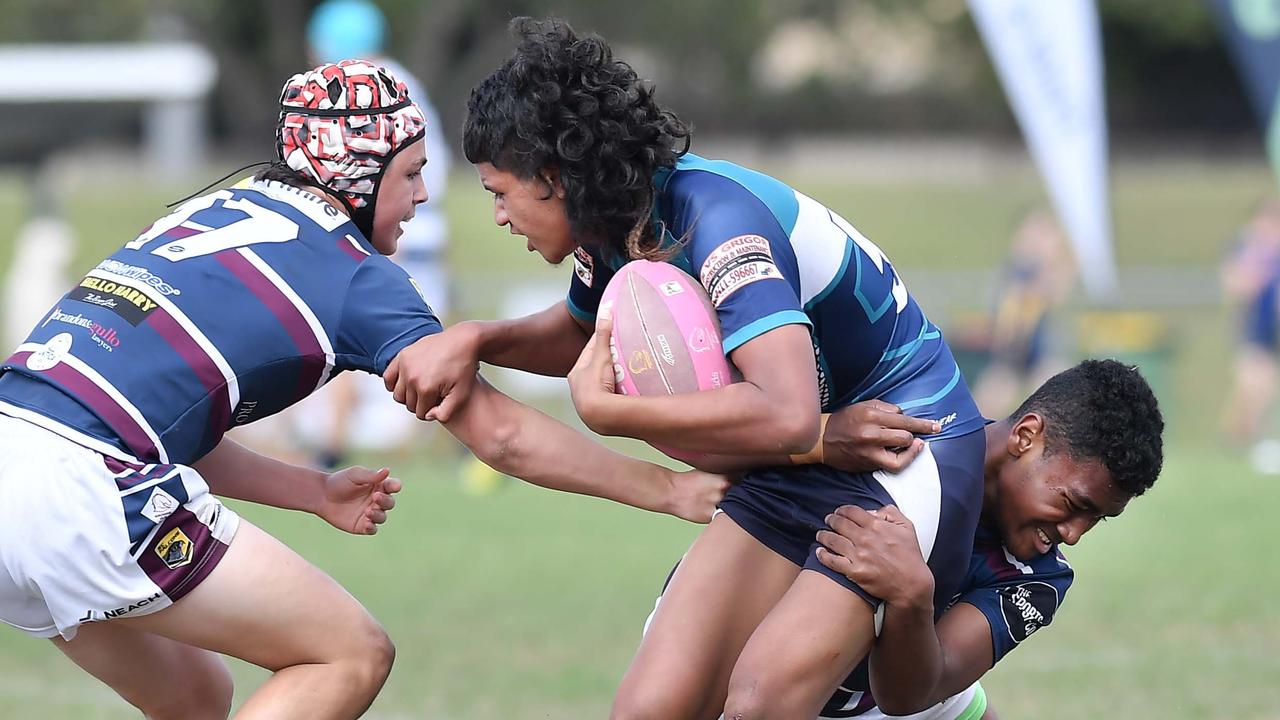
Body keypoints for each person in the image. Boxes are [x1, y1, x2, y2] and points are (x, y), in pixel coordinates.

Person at [0, 59, 724, 720]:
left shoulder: (208, 212)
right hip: (82, 488)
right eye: (409, 173)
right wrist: (667, 488)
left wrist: (313, 493)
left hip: (23, 457)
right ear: (355, 173)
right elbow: (498, 432)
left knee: (198, 696)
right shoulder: (354, 276)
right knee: (349, 652)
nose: (422, 194)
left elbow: (153, 422)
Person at [386, 18, 987, 718]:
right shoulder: (611, 222)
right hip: (798, 462)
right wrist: (476, 339)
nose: (496, 215)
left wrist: (609, 412)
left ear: (552, 178)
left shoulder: (718, 222)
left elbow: (786, 412)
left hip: (905, 451)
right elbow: (584, 335)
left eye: (499, 191)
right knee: (651, 709)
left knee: (760, 702)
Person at [642, 360, 1164, 719]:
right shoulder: (899, 429)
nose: (1072, 535)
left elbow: (915, 693)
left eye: (1097, 520)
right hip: (750, 638)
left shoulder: (1038, 578)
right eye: (1075, 505)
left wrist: (913, 598)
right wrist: (820, 437)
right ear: (1026, 437)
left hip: (894, 690)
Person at [292, 0, 456, 470]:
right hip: (418, 237)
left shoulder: (362, 95)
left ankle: (329, 450)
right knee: (420, 350)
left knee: (342, 332)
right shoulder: (403, 83)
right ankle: (472, 447)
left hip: (388, 236)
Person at [970, 209, 1075, 418]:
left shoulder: (1046, 268)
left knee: (1067, 402)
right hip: (1013, 349)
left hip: (1039, 350)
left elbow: (1056, 292)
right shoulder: (1018, 268)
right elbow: (1010, 309)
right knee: (985, 407)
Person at [1220, 199, 1280, 471]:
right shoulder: (1249, 249)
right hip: (1256, 328)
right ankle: (1239, 442)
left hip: (1273, 329)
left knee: (1260, 388)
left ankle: (1249, 443)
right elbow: (1237, 286)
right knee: (1254, 387)